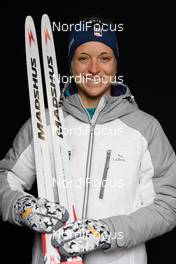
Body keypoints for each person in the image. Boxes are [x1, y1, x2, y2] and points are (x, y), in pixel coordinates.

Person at [0, 17, 176, 264]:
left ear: (115, 63)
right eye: (83, 58)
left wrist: (107, 232)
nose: (94, 69)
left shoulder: (146, 128)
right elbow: (5, 179)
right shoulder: (44, 123)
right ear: (70, 63)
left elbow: (168, 206)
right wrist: (21, 207)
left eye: (105, 57)